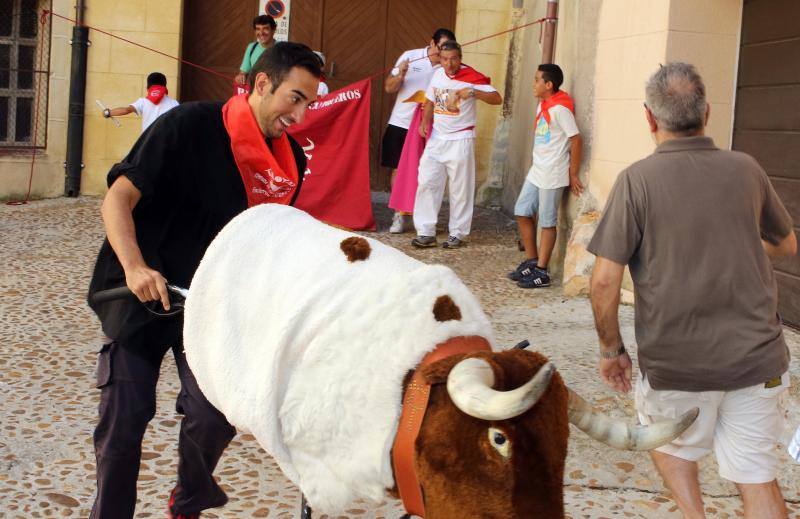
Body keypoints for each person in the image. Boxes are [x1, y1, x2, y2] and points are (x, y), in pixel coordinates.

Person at [87, 42, 321, 519]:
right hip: (142, 291)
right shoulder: (187, 125)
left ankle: (190, 499)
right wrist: (135, 266)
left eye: (309, 103)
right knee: (124, 419)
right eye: (294, 97)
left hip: (212, 302)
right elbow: (117, 200)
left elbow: (271, 242)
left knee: (214, 416)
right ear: (261, 83)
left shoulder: (290, 162)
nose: (300, 114)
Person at [588, 62, 796, 519]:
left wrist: (610, 349)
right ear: (707, 111)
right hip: (758, 360)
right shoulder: (746, 168)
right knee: (757, 475)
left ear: (649, 117)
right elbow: (786, 244)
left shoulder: (636, 181)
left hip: (677, 366)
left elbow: (604, 279)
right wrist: (739, 245)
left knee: (673, 449)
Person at [410, 40, 501, 249]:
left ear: (460, 58)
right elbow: (431, 99)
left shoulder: (471, 77)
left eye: (453, 59)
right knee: (427, 182)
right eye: (444, 59)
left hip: (460, 138)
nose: (449, 64)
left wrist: (473, 92)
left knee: (460, 188)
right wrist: (425, 121)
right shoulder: (438, 74)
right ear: (440, 59)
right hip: (437, 138)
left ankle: (458, 233)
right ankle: (426, 231)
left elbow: (497, 98)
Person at [507, 64, 582, 288]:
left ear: (548, 85)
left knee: (547, 222)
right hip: (538, 170)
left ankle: (542, 272)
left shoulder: (560, 109)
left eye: (537, 80)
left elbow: (576, 139)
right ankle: (531, 260)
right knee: (522, 211)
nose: (534, 84)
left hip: (553, 173)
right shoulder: (544, 104)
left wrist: (573, 172)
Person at [383, 28, 455, 233]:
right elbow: (389, 87)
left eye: (447, 49)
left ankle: (422, 216)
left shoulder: (446, 66)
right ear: (431, 43)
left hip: (431, 126)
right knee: (398, 169)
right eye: (440, 47)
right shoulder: (410, 56)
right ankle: (399, 214)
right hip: (401, 122)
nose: (443, 53)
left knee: (428, 171)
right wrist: (401, 75)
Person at [102, 72, 179, 133]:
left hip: (148, 144)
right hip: (167, 144)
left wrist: (108, 112)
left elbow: (126, 110)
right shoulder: (174, 103)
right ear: (165, 87)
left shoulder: (143, 102)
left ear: (148, 88)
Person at [234, 14, 277, 87]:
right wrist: (240, 77)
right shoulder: (252, 47)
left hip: (274, 94)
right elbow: (243, 72)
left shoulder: (282, 48)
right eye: (258, 29)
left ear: (273, 30)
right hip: (255, 93)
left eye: (265, 28)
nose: (261, 33)